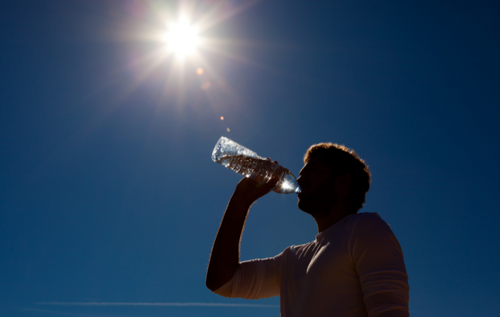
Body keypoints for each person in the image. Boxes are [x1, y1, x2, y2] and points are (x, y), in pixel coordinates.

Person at [206, 143, 409, 317]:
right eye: (301, 174)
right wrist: (241, 199)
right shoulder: (291, 259)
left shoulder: (366, 228)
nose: (300, 180)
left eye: (311, 172)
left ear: (342, 182)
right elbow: (223, 282)